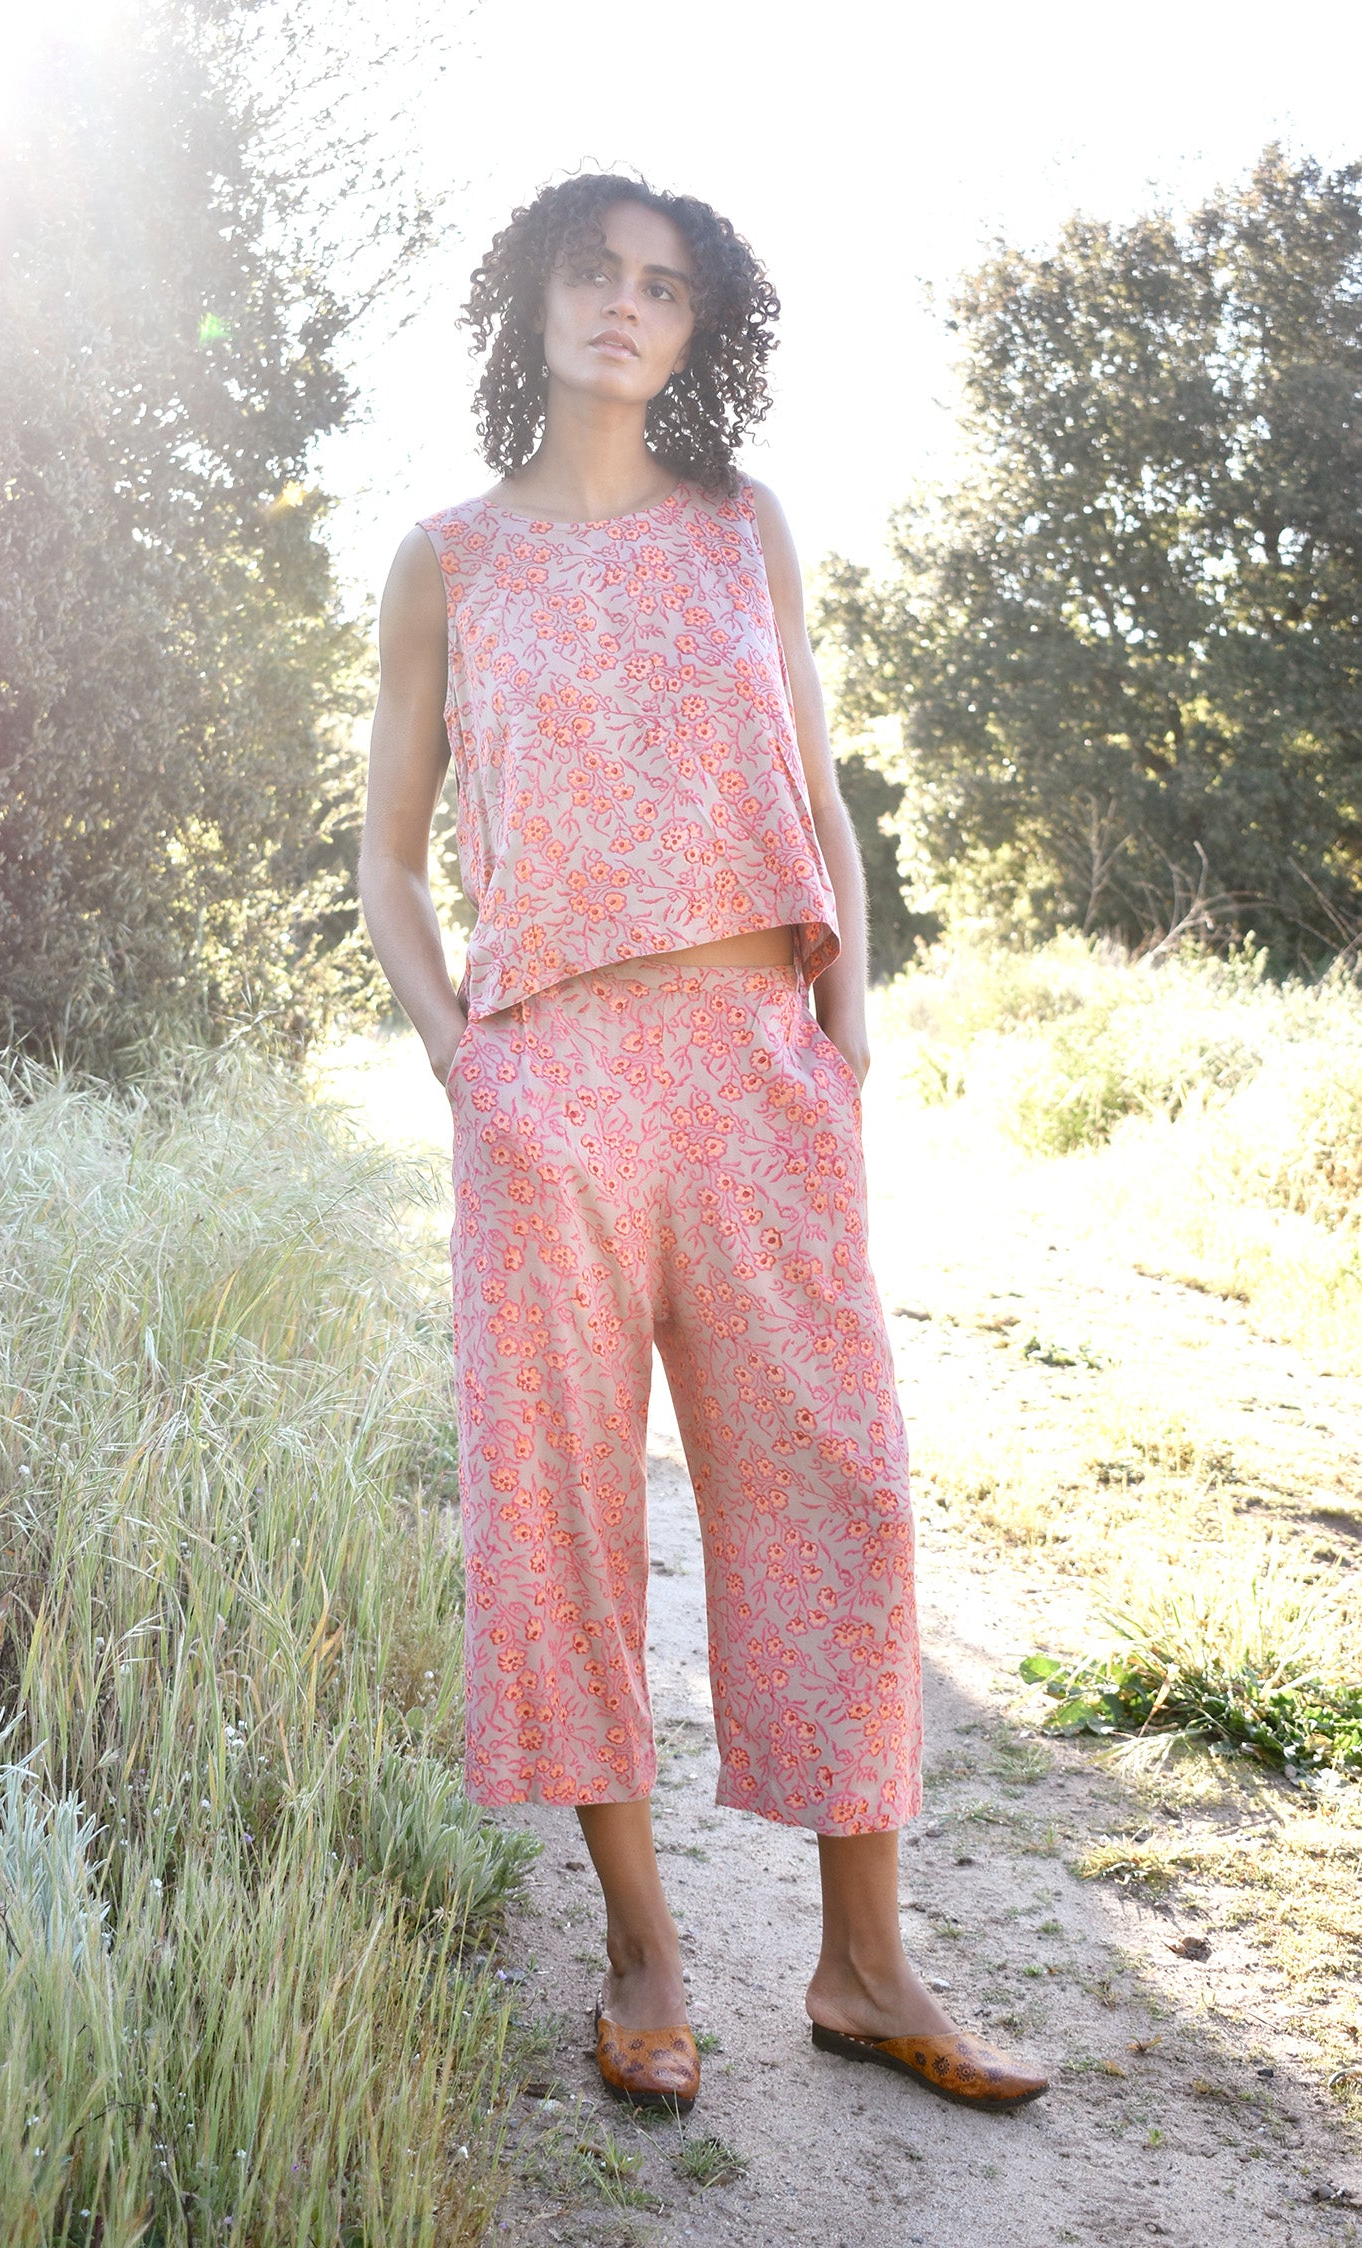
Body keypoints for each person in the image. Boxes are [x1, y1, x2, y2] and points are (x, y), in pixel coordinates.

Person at [358, 173, 1049, 2119]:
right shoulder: (447, 558)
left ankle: (863, 1956)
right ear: (539, 297)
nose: (625, 306)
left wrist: (845, 1029)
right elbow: (386, 856)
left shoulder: (747, 533)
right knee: (563, 1515)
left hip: (758, 1060)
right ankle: (647, 1950)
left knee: (840, 1481)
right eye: (594, 271)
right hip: (552, 1069)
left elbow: (815, 787)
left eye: (664, 288)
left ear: (696, 327)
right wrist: (461, 1058)